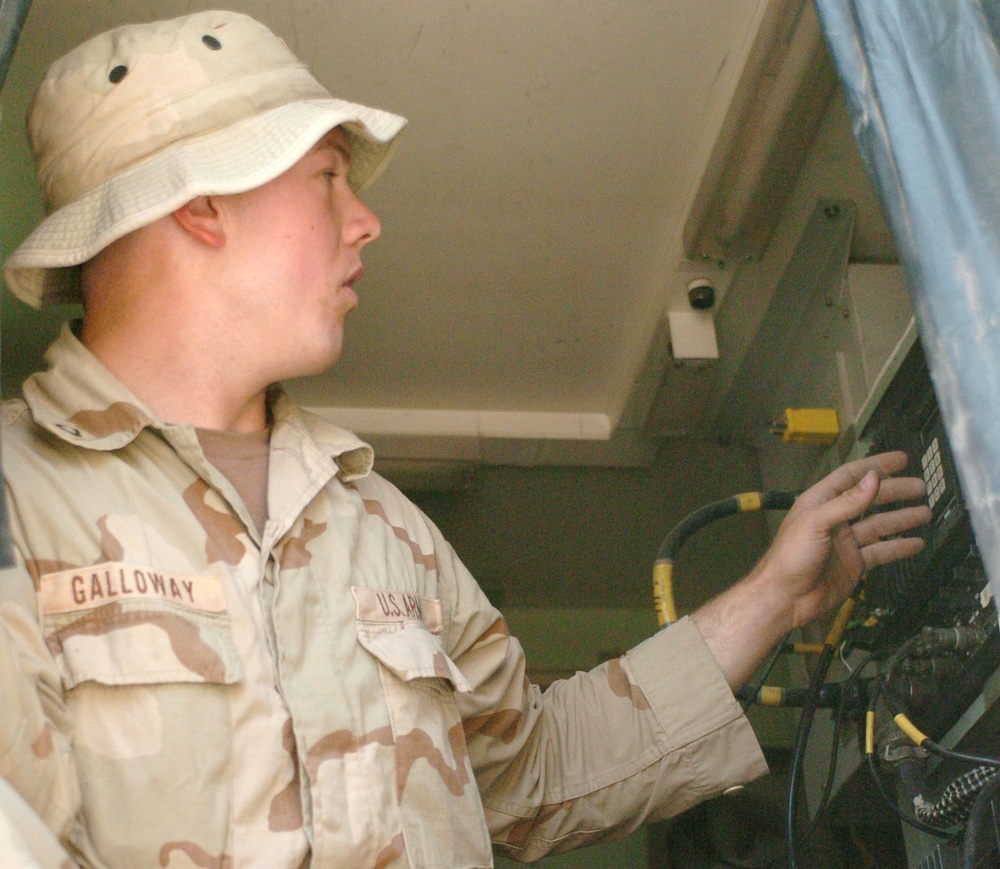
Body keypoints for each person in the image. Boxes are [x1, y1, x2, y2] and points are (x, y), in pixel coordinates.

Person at [0, 10, 930, 869]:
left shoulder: (383, 528)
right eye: (327, 177)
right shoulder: (16, 495)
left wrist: (773, 595)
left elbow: (530, 772)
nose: (364, 220)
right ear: (203, 203)